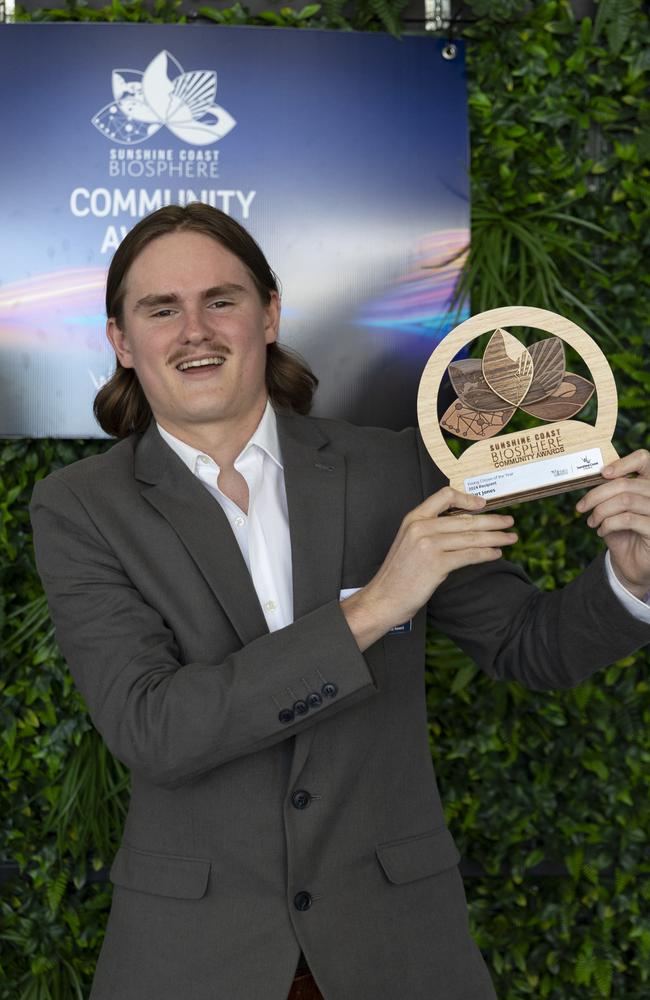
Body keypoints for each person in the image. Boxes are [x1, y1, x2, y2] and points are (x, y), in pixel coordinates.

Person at [30, 204, 650, 1000]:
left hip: (398, 947)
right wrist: (373, 608)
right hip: (191, 958)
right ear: (121, 339)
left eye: (221, 300)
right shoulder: (80, 507)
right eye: (161, 309)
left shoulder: (394, 469)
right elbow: (156, 729)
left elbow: (530, 645)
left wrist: (629, 583)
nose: (196, 330)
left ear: (271, 314)